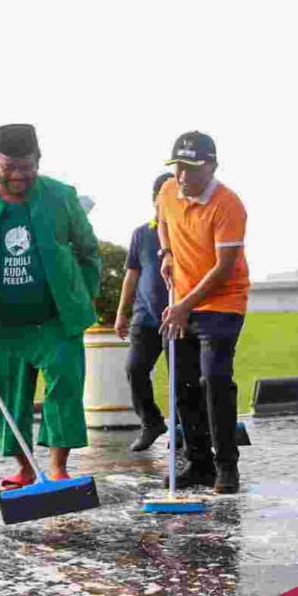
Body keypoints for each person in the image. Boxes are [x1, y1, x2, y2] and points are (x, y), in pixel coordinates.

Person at [0, 124, 101, 486]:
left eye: (26, 166)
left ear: (38, 162)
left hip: (56, 320)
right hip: (5, 323)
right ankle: (26, 468)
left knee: (65, 388)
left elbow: (89, 251)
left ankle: (59, 468)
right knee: (8, 396)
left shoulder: (61, 197)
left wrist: (80, 295)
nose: (18, 175)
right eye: (8, 166)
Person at [157, 131, 250, 494]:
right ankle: (197, 463)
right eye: (177, 167)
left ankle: (227, 466)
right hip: (182, 302)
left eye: (191, 168)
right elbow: (162, 221)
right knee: (182, 382)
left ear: (211, 165)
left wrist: (183, 306)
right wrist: (166, 254)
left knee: (214, 380)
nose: (182, 176)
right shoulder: (167, 191)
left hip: (223, 303)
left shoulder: (228, 205)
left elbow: (224, 268)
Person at [114, 172, 197, 452]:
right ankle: (151, 422)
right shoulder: (142, 234)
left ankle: (185, 431)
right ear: (155, 201)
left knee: (181, 377)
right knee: (135, 369)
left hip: (178, 316)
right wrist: (121, 313)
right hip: (145, 317)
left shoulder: (186, 231)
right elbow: (132, 275)